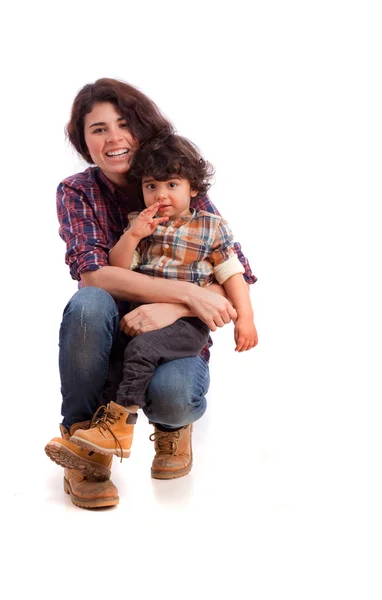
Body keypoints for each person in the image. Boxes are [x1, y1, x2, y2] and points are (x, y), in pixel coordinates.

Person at [45, 78, 257, 509]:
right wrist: (186, 291)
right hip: (113, 328)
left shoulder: (178, 181)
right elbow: (95, 275)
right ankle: (86, 448)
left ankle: (173, 428)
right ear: (84, 141)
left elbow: (234, 270)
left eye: (124, 124)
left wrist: (173, 306)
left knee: (174, 398)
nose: (114, 138)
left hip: (173, 332)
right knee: (88, 304)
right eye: (98, 128)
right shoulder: (77, 191)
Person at [68, 133, 258, 460]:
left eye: (172, 185)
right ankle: (96, 439)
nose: (161, 194)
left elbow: (232, 273)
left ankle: (120, 426)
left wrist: (247, 319)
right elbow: (119, 270)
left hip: (187, 324)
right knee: (118, 361)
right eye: (151, 186)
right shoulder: (141, 224)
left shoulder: (211, 227)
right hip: (142, 317)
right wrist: (133, 235)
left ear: (193, 188)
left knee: (141, 350)